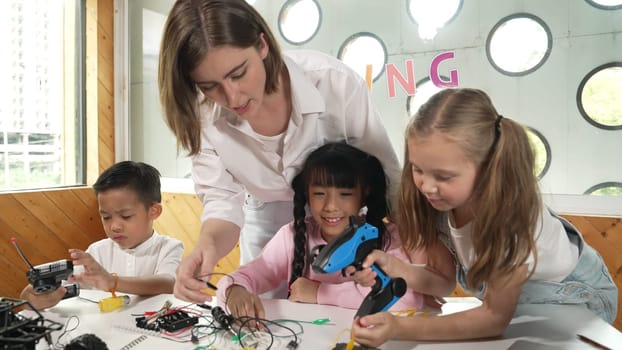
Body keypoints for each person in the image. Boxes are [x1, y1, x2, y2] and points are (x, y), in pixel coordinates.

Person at [158, 0, 401, 303]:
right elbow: (222, 202)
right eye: (209, 86)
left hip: (344, 228)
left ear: (262, 45)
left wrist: (422, 260)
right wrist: (206, 246)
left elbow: (386, 178)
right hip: (266, 225)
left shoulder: (335, 84)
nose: (232, 97)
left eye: (238, 73)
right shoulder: (204, 116)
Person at [349, 88, 618, 347]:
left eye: (444, 176)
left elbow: (493, 319)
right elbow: (443, 282)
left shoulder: (512, 221)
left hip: (574, 297)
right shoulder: (440, 201)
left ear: (488, 167)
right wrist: (395, 267)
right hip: (517, 300)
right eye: (418, 169)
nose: (427, 186)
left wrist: (400, 328)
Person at [215, 142, 455, 320]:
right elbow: (247, 276)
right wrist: (235, 291)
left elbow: (404, 298)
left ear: (364, 194)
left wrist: (320, 292)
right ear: (307, 194)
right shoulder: (292, 237)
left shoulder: (388, 238)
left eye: (345, 194)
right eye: (320, 194)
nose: (330, 206)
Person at [19, 161, 184, 310]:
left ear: (154, 211)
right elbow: (62, 285)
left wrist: (112, 282)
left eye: (125, 216)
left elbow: (168, 283)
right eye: (106, 217)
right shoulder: (97, 251)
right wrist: (36, 295)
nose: (114, 226)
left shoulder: (169, 247)